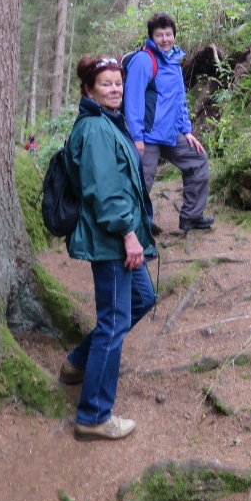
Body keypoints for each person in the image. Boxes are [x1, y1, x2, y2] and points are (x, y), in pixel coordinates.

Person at [59, 55, 157, 441]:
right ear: (88, 89)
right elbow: (105, 192)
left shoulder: (108, 122)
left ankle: (78, 363)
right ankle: (94, 415)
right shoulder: (97, 130)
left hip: (119, 238)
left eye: (118, 82)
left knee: (143, 299)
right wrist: (129, 236)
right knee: (113, 322)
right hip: (112, 241)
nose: (115, 89)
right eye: (106, 84)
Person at [123, 11, 214, 233]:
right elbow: (132, 100)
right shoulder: (143, 60)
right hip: (147, 135)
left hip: (171, 133)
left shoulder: (173, 61)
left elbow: (179, 100)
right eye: (159, 35)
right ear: (151, 37)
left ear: (174, 35)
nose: (165, 39)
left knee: (198, 160)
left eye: (168, 34)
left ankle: (191, 217)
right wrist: (137, 137)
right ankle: (135, 232)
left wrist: (187, 130)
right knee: (141, 182)